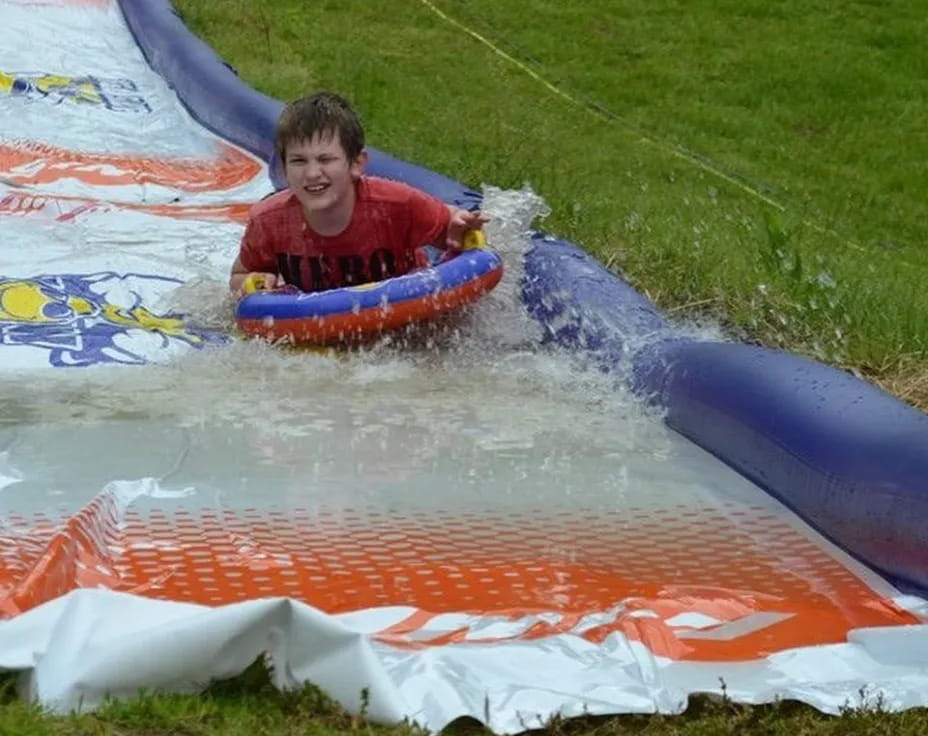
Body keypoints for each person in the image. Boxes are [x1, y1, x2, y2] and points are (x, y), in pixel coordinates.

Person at [229, 91, 487, 296]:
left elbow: (449, 228)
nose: (312, 173)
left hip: (401, 308)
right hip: (317, 321)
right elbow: (240, 275)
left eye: (326, 159)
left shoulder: (397, 205)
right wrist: (252, 284)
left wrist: (459, 229)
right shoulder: (269, 221)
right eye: (298, 161)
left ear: (356, 164)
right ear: (283, 170)